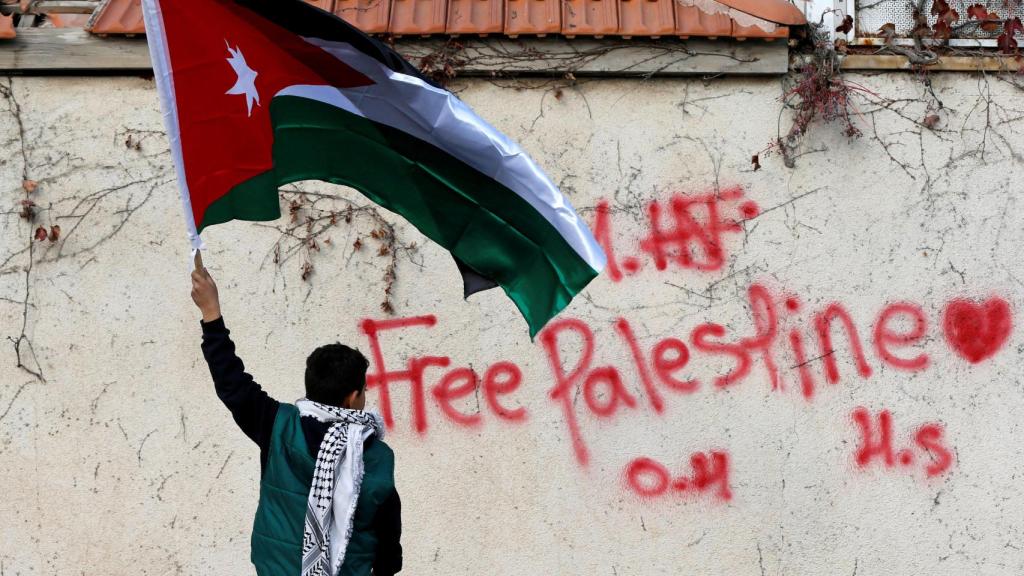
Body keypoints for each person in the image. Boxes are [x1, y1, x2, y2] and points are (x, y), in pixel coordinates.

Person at [190, 258, 402, 576]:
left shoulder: (278, 425)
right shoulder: (376, 456)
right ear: (352, 397)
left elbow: (231, 382)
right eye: (363, 390)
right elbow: (388, 552)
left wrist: (211, 313)